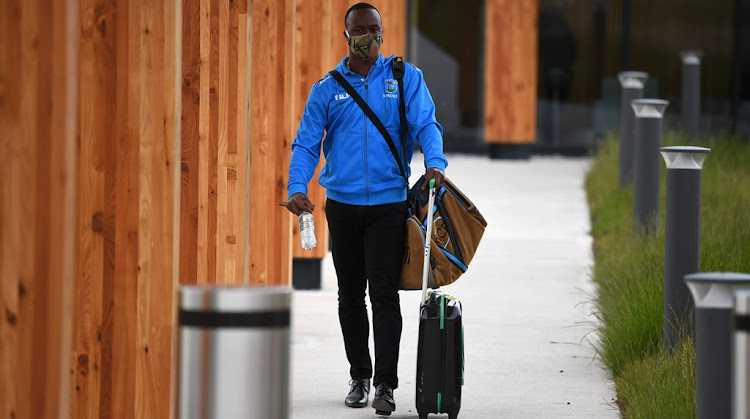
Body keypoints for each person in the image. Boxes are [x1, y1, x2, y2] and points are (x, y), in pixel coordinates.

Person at [285, 2, 448, 415]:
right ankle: (359, 375)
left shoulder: (404, 77)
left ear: (382, 33)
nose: (368, 38)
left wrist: (435, 163)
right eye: (359, 31)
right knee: (349, 296)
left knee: (384, 294)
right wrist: (297, 186)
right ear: (346, 36)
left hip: (389, 208)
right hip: (341, 207)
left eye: (374, 30)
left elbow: (427, 123)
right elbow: (306, 143)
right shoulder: (327, 88)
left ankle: (386, 385)